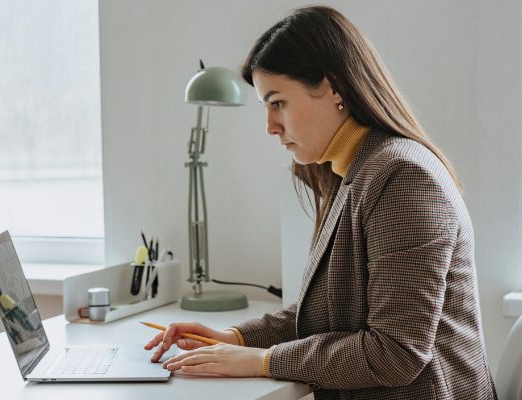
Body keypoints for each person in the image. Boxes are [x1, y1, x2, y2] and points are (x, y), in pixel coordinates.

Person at [145, 6, 497, 399]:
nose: (270, 127)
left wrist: (263, 361)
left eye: (278, 102)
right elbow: (327, 313)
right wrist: (236, 338)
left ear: (333, 88)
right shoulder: (352, 171)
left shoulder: (403, 178)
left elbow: (396, 352)